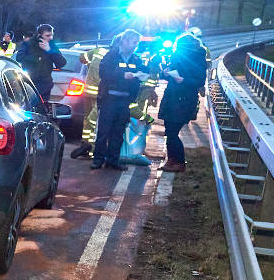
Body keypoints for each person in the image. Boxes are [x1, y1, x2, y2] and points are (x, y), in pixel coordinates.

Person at [92, 29, 145, 171]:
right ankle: (98, 160)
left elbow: (141, 72)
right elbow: (104, 73)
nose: (135, 46)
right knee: (104, 131)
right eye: (134, 42)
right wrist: (122, 75)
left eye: (137, 43)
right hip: (109, 99)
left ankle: (113, 160)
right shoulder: (111, 55)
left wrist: (140, 75)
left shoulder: (135, 59)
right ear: (125, 41)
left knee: (118, 132)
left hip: (125, 100)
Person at [157, 33, 207, 172]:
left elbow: (199, 81)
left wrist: (183, 80)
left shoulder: (197, 59)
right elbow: (170, 74)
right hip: (172, 97)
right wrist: (166, 73)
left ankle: (179, 162)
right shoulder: (176, 56)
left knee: (172, 132)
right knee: (169, 131)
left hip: (185, 100)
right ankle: (171, 160)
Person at [70, 45, 107, 160]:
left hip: (88, 92)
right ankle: (91, 149)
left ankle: (85, 144)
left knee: (88, 119)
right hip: (100, 94)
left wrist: (89, 61)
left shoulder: (98, 51)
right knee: (94, 121)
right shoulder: (115, 57)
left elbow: (82, 58)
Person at [14, 23, 67, 102]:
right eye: (47, 35)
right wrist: (36, 59)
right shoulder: (28, 43)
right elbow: (19, 57)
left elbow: (62, 63)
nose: (50, 38)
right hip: (30, 82)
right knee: (30, 105)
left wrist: (49, 50)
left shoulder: (51, 45)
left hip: (45, 84)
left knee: (43, 106)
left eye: (52, 35)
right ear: (39, 35)